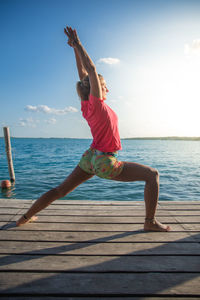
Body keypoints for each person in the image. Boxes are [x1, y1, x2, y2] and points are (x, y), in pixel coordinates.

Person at [16, 26, 171, 231]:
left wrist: (73, 49)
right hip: (105, 160)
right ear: (98, 87)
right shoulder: (97, 104)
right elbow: (90, 71)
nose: (108, 88)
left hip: (91, 157)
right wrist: (79, 44)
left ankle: (24, 218)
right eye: (105, 85)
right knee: (152, 175)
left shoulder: (86, 104)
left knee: (60, 190)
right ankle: (149, 223)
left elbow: (84, 76)